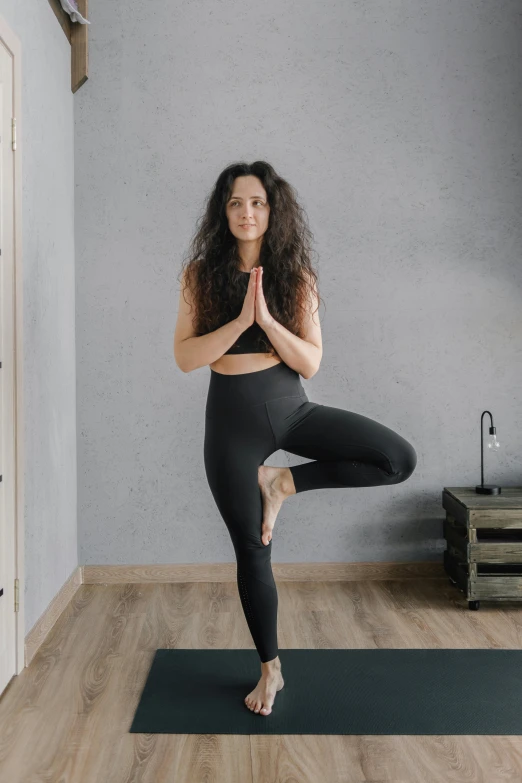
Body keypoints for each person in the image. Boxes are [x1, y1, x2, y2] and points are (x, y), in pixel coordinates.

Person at [173, 161, 417, 717]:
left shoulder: (295, 276)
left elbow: (309, 362)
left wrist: (266, 318)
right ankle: (270, 669)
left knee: (397, 458)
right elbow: (185, 358)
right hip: (230, 425)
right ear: (223, 210)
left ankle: (283, 482)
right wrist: (238, 322)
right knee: (254, 551)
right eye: (236, 203)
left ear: (272, 209)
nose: (246, 212)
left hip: (290, 411)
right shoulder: (200, 274)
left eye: (256, 202)